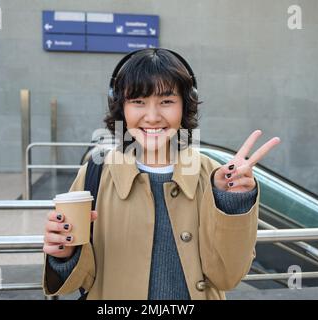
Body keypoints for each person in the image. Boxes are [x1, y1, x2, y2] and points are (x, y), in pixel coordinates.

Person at [42, 48, 281, 300]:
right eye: (138, 102)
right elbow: (79, 281)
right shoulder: (95, 174)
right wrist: (64, 255)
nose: (153, 117)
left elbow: (227, 277)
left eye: (166, 101)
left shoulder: (215, 177)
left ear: (184, 105)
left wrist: (232, 204)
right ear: (121, 107)